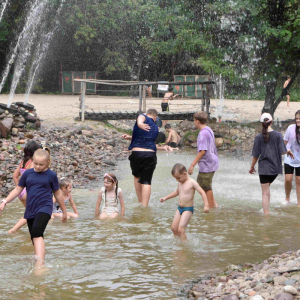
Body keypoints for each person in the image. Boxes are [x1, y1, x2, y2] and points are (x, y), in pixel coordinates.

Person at [0, 149, 67, 269]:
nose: (38, 166)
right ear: (32, 161)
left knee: (37, 232)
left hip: (45, 208)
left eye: (41, 164)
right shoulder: (27, 174)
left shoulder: (51, 175)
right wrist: (4, 201)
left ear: (48, 162)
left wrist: (64, 212)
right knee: (34, 237)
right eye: (35, 163)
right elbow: (18, 189)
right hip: (30, 209)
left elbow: (58, 194)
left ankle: (40, 265)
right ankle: (38, 259)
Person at [249, 113, 290, 215]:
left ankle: (266, 215)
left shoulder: (259, 137)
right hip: (275, 169)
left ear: (261, 123)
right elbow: (283, 151)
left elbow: (255, 155)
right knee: (267, 189)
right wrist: (288, 150)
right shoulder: (278, 135)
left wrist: (252, 166)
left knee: (265, 192)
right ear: (271, 122)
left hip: (264, 169)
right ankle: (266, 210)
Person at [160, 163, 209, 241]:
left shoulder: (192, 183)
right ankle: (177, 242)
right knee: (173, 228)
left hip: (188, 209)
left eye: (178, 178)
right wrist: (166, 198)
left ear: (185, 174)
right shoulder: (180, 183)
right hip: (179, 208)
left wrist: (206, 205)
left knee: (180, 229)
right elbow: (176, 192)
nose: (177, 180)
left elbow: (202, 192)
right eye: (175, 178)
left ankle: (184, 247)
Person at [122, 108, 159, 207]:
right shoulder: (155, 127)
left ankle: (139, 201)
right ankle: (145, 206)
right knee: (147, 181)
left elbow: (140, 118)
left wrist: (139, 124)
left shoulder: (143, 117)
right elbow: (146, 138)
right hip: (150, 154)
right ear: (155, 118)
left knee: (137, 177)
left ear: (148, 114)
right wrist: (130, 137)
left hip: (137, 153)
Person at [9, 141, 42, 234]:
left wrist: (19, 189)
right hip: (28, 192)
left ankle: (31, 232)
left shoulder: (23, 162)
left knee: (31, 214)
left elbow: (15, 176)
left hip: (21, 193)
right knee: (31, 213)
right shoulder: (32, 163)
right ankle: (13, 230)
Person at [188, 112, 219, 209]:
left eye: (194, 120)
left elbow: (202, 151)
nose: (194, 122)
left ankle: (210, 208)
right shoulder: (208, 129)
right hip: (212, 162)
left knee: (206, 187)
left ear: (197, 121)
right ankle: (214, 205)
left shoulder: (202, 134)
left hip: (207, 164)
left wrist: (192, 164)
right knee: (203, 185)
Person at [283, 110, 300, 206]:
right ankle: (287, 198)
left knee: (299, 181)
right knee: (288, 179)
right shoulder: (290, 128)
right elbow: (284, 142)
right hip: (289, 158)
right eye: (297, 118)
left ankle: (299, 203)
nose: (298, 120)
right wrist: (286, 151)